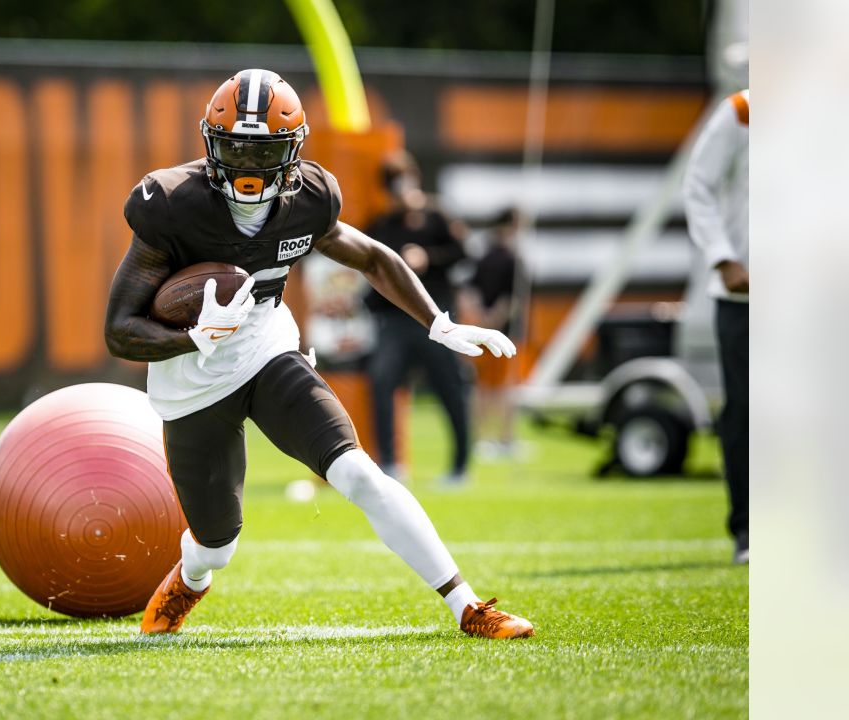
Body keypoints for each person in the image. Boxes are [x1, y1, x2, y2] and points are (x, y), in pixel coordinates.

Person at [104, 69, 532, 638]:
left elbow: (375, 258)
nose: (250, 167)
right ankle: (191, 577)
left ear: (293, 150)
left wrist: (439, 323)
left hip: (265, 347)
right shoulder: (172, 203)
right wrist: (193, 337)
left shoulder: (309, 198)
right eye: (235, 147)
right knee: (217, 544)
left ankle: (468, 606)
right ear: (210, 143)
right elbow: (119, 329)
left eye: (266, 152)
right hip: (191, 378)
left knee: (359, 474)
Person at [362, 153, 472, 484]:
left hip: (435, 318)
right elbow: (370, 270)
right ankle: (391, 465)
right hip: (395, 322)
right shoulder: (382, 225)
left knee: (450, 389)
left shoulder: (437, 216)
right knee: (381, 384)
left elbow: (463, 253)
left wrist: (429, 258)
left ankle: (459, 467)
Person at [684, 89, 749, 565]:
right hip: (746, 292)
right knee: (746, 411)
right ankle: (748, 528)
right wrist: (723, 257)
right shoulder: (745, 108)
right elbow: (698, 185)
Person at [462, 207, 525, 459]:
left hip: (481, 331)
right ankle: (505, 439)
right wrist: (495, 322)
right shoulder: (512, 259)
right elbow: (511, 299)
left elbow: (471, 293)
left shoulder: (484, 256)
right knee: (505, 388)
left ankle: (480, 439)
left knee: (481, 388)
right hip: (503, 333)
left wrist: (482, 320)